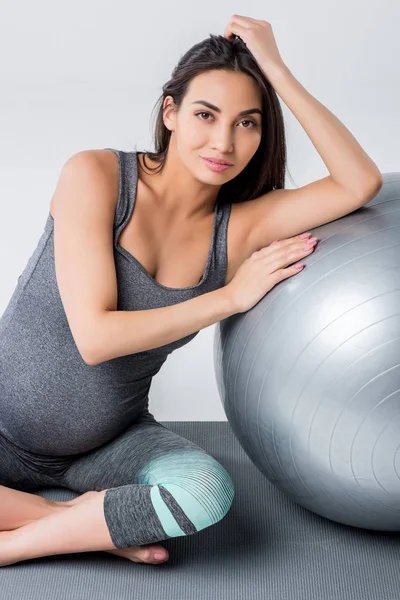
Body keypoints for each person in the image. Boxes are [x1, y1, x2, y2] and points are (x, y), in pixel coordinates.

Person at [0, 23, 380, 567]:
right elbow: (95, 336)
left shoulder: (241, 229)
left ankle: (16, 541)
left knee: (206, 492)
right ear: (170, 113)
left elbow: (358, 183)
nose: (224, 143)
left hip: (106, 445)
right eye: (205, 115)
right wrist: (229, 298)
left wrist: (276, 70)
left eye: (247, 123)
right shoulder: (98, 175)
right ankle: (73, 523)